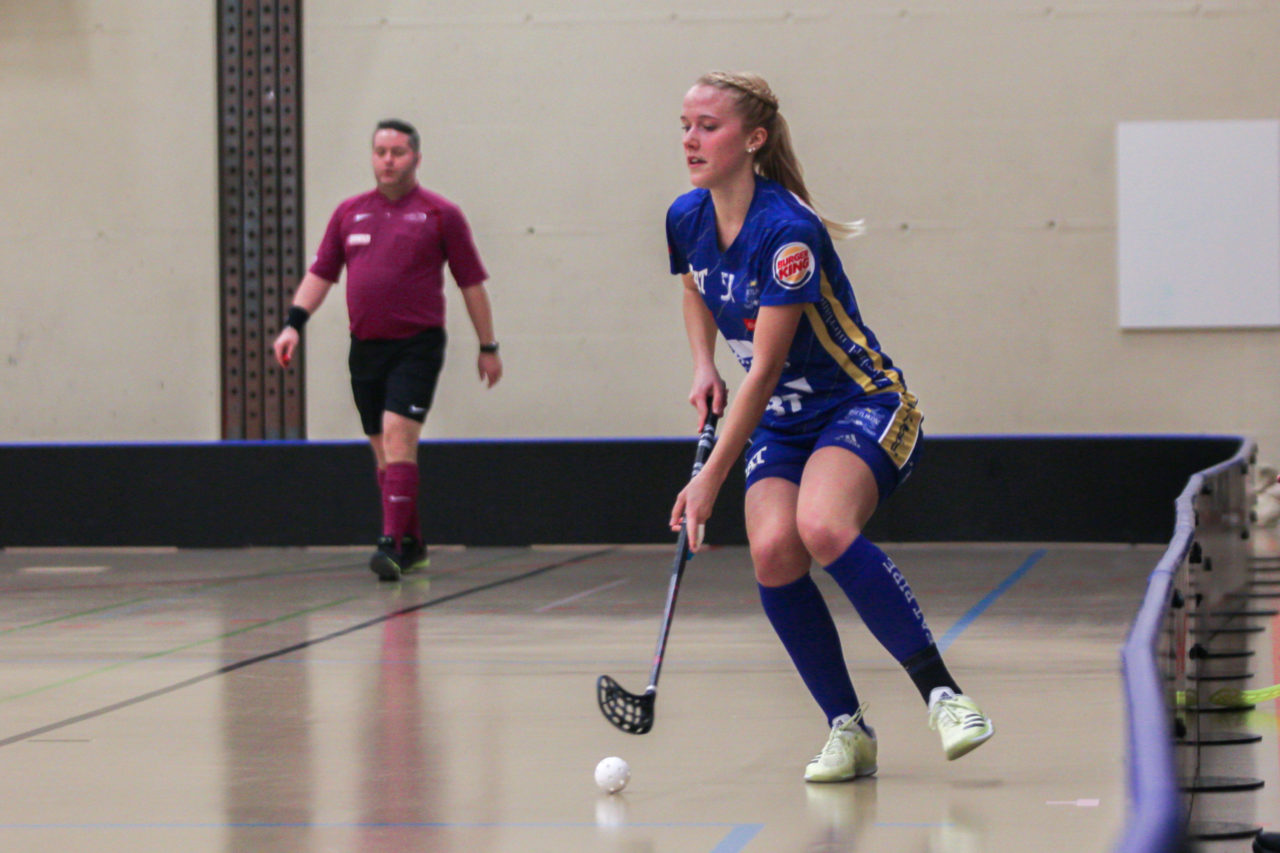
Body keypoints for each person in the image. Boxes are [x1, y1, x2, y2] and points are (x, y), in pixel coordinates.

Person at [665, 71, 993, 782]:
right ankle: (848, 728)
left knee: (821, 526)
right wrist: (701, 363)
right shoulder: (686, 216)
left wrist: (709, 478)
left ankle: (944, 695)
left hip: (860, 404)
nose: (690, 139)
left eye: (708, 126)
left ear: (754, 138)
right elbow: (694, 285)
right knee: (773, 552)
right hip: (782, 425)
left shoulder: (788, 232)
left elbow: (764, 370)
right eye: (685, 125)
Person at [272, 118, 502, 582]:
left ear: (416, 158)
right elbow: (321, 274)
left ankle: (390, 545)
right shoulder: (349, 213)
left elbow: (471, 284)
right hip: (366, 348)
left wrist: (487, 345)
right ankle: (413, 543)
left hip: (417, 345)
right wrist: (293, 324)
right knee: (383, 451)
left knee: (399, 437)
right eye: (380, 152)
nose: (388, 161)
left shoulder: (440, 214)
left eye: (398, 152)